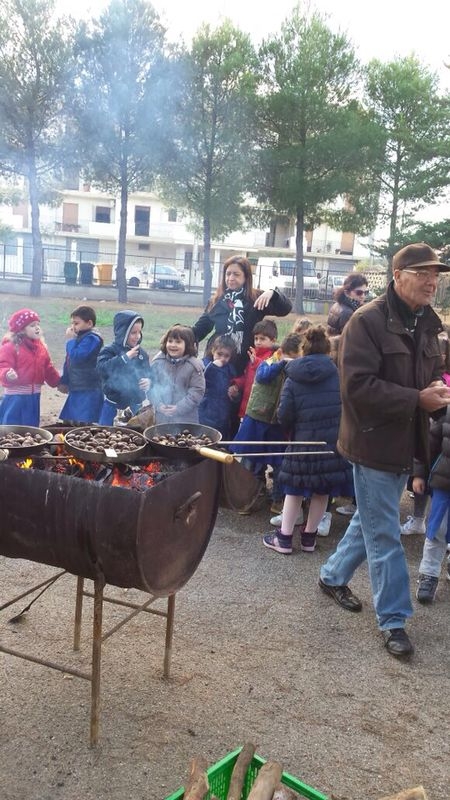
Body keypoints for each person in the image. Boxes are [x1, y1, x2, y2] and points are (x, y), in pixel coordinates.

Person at [319, 242, 450, 658]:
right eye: (423, 273)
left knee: (370, 519)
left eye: (436, 274)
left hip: (408, 444)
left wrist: (435, 392)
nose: (433, 281)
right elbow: (356, 388)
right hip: (372, 441)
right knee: (385, 534)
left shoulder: (429, 323)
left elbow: (430, 376)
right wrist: (417, 398)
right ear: (398, 276)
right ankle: (393, 620)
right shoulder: (366, 321)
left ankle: (332, 575)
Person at [263, 325, 353, 555]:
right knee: (322, 491)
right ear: (328, 351)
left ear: (303, 349)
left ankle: (283, 539)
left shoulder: (293, 378)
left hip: (302, 443)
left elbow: (284, 415)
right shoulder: (338, 375)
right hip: (329, 445)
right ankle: (309, 538)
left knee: (294, 490)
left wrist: (292, 428)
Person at [232, 332, 303, 506]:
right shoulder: (271, 361)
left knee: (279, 463)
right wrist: (280, 364)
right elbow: (262, 375)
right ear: (282, 352)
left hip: (277, 423)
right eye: (289, 357)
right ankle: (246, 497)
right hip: (257, 418)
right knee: (250, 459)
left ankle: (278, 500)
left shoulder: (297, 370)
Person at [192, 255, 292, 377]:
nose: (231, 278)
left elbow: (285, 309)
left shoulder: (256, 298)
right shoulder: (217, 300)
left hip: (244, 361)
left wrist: (273, 294)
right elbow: (200, 328)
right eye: (228, 274)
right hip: (218, 359)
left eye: (236, 274)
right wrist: (180, 336)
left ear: (246, 277)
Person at [413, 402, 450, 603]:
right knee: (437, 530)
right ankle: (429, 574)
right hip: (445, 483)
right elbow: (429, 444)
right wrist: (419, 474)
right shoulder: (447, 413)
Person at [0, 308, 60, 426]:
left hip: (34, 396)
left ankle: (30, 443)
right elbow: (2, 364)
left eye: (38, 324)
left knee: (30, 426)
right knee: (12, 426)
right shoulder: (11, 347)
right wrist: (7, 373)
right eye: (32, 325)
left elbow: (47, 367)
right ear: (21, 330)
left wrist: (58, 382)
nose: (37, 327)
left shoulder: (41, 347)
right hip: (16, 396)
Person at [97, 311, 151, 425]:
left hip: (136, 406)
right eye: (133, 333)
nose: (137, 336)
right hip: (113, 405)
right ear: (122, 332)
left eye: (139, 332)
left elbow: (149, 373)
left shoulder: (142, 354)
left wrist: (149, 381)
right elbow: (102, 369)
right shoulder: (110, 350)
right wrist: (125, 358)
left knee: (135, 437)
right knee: (106, 436)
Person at [151, 324, 205, 424]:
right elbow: (152, 386)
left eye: (178, 342)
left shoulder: (193, 366)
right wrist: (158, 405)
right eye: (170, 341)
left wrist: (178, 408)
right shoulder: (158, 362)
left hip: (185, 420)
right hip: (161, 418)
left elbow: (197, 391)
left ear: (188, 344)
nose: (173, 345)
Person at [58, 305, 104, 423]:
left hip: (88, 388)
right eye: (72, 324)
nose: (73, 327)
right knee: (70, 421)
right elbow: (69, 361)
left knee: (83, 423)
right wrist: (64, 380)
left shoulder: (93, 339)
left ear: (89, 323)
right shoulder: (79, 338)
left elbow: (77, 357)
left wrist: (70, 340)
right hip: (77, 386)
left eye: (76, 323)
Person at [228, 319, 278, 421]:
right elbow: (247, 377)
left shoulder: (274, 357)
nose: (258, 342)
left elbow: (267, 371)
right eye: (256, 338)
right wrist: (237, 385)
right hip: (247, 406)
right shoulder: (253, 355)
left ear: (273, 341)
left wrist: (256, 362)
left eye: (262, 339)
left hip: (260, 409)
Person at [199, 335, 237, 438]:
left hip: (223, 410)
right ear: (212, 351)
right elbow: (203, 379)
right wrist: (213, 366)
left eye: (226, 356)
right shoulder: (206, 364)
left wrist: (234, 392)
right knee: (205, 436)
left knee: (221, 436)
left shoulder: (230, 369)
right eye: (219, 354)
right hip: (207, 409)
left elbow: (234, 383)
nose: (222, 359)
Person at [326, 272, 369, 337]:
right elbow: (351, 340)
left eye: (366, 292)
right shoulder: (348, 313)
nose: (363, 296)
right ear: (347, 293)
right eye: (359, 292)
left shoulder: (337, 304)